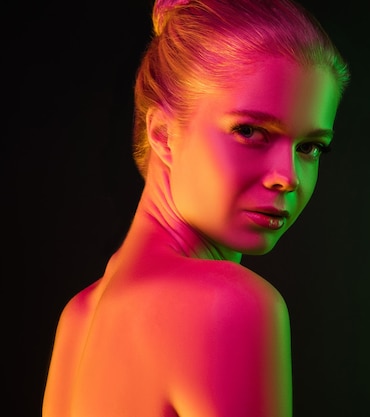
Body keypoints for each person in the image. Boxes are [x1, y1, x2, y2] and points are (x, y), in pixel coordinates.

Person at [41, 0, 350, 415]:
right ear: (164, 134)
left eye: (310, 147)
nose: (288, 176)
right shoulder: (229, 303)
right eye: (250, 131)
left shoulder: (78, 318)